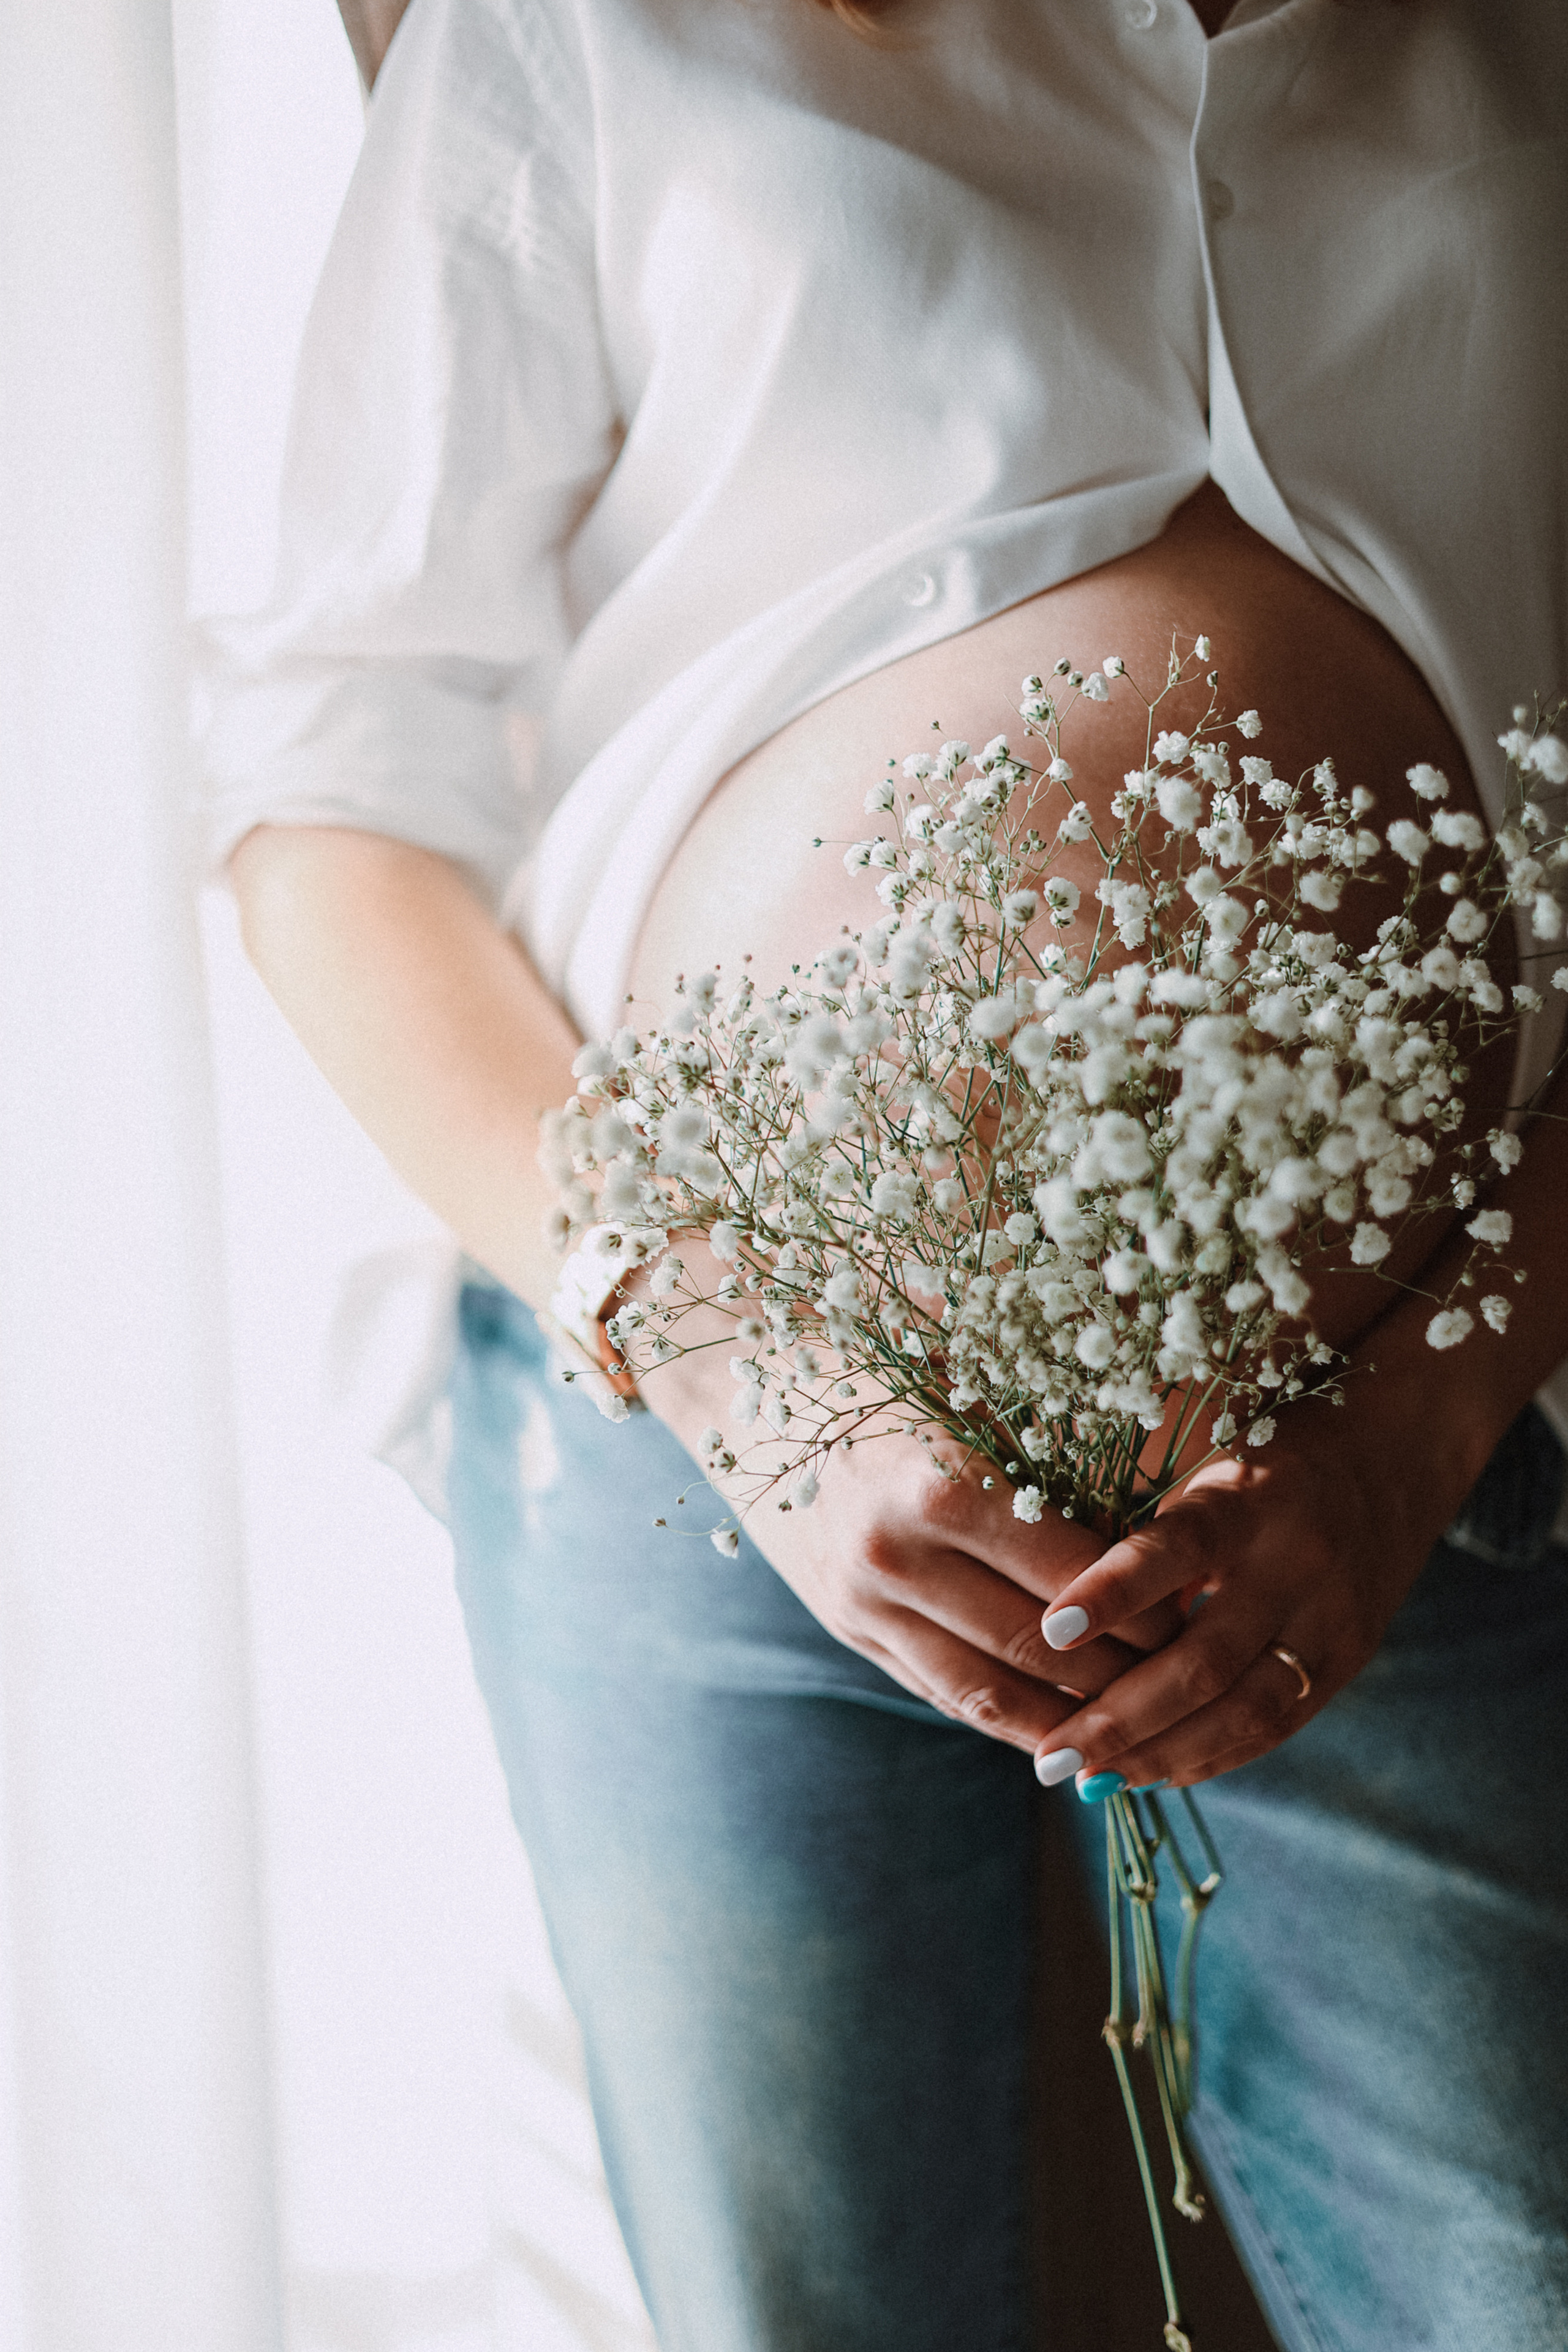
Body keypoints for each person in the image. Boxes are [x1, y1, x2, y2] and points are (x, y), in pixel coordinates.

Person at [203, 2, 1568, 2345]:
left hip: (1396, 1458)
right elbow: (334, 798)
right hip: (686, 1434)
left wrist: (1415, 1427)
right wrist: (734, 1358)